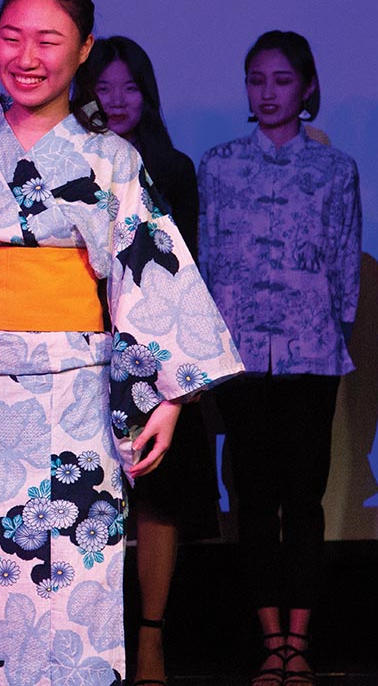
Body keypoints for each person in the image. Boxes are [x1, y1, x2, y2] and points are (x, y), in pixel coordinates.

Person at [0, 0, 242, 685]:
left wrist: (171, 400)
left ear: (85, 50)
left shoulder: (112, 160)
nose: (27, 57)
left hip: (76, 404)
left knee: (80, 593)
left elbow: (151, 276)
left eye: (49, 40)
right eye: (11, 36)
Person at [198, 30, 361, 686]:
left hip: (311, 354)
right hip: (240, 354)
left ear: (307, 88)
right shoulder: (218, 165)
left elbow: (346, 261)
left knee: (304, 500)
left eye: (282, 80)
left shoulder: (335, 169)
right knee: (254, 499)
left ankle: (301, 640)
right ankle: (272, 644)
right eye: (256, 80)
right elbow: (208, 258)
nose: (268, 93)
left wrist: (331, 329)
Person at [84, 36, 220, 686]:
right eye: (104, 87)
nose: (115, 100)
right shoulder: (69, 162)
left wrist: (179, 373)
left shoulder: (173, 166)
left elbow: (184, 267)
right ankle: (96, 640)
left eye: (128, 88)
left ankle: (151, 641)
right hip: (79, 349)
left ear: (148, 94)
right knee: (89, 499)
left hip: (150, 351)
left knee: (157, 500)